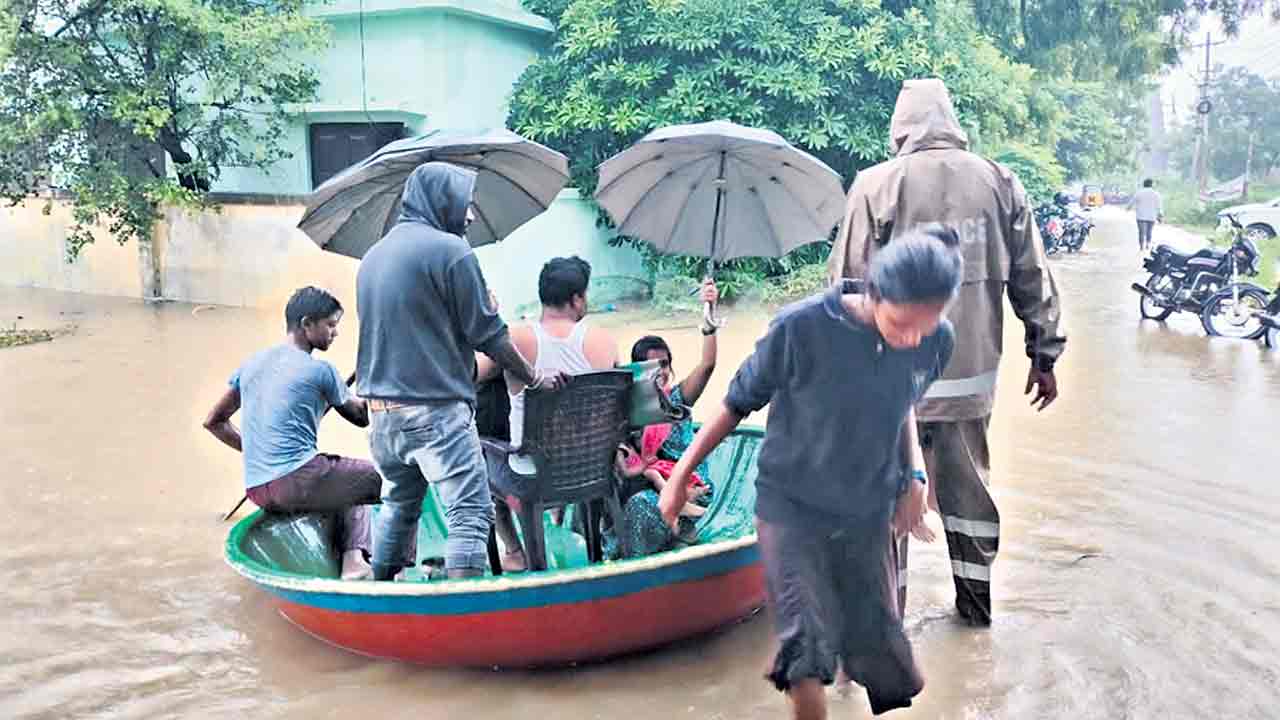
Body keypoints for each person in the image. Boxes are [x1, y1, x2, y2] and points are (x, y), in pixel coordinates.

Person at [659, 230, 961, 719]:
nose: (911, 339)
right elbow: (735, 404)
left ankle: (845, 671)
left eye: (923, 329)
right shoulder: (801, 329)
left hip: (866, 507)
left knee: (880, 645)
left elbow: (903, 402)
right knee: (803, 647)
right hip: (791, 505)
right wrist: (678, 476)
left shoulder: (935, 342)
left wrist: (914, 477)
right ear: (875, 295)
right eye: (901, 323)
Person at [828, 77, 1066, 627]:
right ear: (951, 121)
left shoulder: (875, 186)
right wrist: (1044, 354)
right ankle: (976, 617)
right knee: (969, 499)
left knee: (889, 505)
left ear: (900, 127)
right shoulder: (1000, 183)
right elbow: (1033, 277)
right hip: (970, 383)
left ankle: (887, 628)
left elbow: (847, 288)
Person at [356, 162, 566, 582]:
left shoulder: (373, 257)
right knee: (471, 511)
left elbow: (413, 331)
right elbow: (492, 336)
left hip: (381, 418)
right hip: (434, 414)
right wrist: (533, 377)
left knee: (400, 507)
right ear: (441, 202)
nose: (469, 216)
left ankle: (381, 597)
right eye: (465, 204)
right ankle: (462, 612)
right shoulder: (451, 252)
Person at [203, 286, 397, 580]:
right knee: (386, 480)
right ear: (307, 324)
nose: (335, 333)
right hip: (297, 482)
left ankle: (352, 554)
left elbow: (214, 421)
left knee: (345, 476)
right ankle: (359, 562)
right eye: (331, 325)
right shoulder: (321, 371)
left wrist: (257, 450)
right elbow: (361, 418)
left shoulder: (252, 363)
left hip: (257, 490)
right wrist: (372, 378)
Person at [479, 256, 619, 572]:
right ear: (577, 299)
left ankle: (515, 552)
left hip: (532, 477)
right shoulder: (605, 341)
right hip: (592, 470)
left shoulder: (516, 339)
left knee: (477, 452)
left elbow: (470, 374)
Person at [603, 280, 721, 558]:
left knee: (642, 503)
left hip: (689, 487)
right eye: (652, 366)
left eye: (665, 364)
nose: (661, 372)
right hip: (646, 487)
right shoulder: (628, 409)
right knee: (617, 496)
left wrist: (709, 313)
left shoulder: (678, 399)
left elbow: (708, 365)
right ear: (637, 371)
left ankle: (661, 540)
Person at [1130, 178, 1163, 253]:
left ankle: (1141, 247)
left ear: (1144, 184)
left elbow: (1132, 202)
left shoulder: (1139, 193)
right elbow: (1159, 206)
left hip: (1141, 216)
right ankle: (1148, 244)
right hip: (1151, 216)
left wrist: (1127, 208)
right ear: (1152, 185)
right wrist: (1160, 215)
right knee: (1149, 231)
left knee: (1141, 232)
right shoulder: (1156, 194)